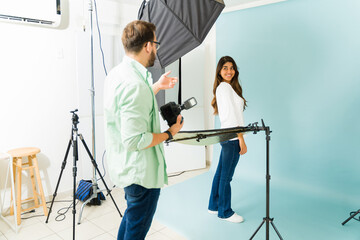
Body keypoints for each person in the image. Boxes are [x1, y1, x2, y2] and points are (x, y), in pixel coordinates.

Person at [104, 20, 184, 240]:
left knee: (131, 219)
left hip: (126, 168)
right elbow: (134, 140)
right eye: (156, 44)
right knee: (136, 231)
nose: (156, 50)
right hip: (141, 175)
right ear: (148, 45)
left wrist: (157, 86)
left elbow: (130, 104)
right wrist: (170, 133)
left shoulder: (117, 74)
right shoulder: (135, 84)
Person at [208, 56, 248, 223]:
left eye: (232, 67)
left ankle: (214, 205)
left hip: (227, 135)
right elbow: (232, 115)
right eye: (225, 67)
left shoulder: (225, 88)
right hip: (232, 137)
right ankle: (225, 212)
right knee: (226, 176)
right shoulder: (224, 88)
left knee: (220, 173)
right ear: (219, 70)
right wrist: (241, 138)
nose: (229, 71)